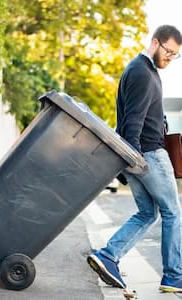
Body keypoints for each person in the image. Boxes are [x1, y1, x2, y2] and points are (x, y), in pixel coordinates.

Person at [87, 25, 182, 292]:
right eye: (168, 52)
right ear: (155, 42)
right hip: (148, 153)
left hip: (140, 153)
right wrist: (135, 159)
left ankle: (108, 255)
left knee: (147, 213)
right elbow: (133, 121)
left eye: (175, 55)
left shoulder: (145, 71)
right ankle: (174, 276)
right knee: (173, 212)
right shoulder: (142, 72)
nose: (170, 59)